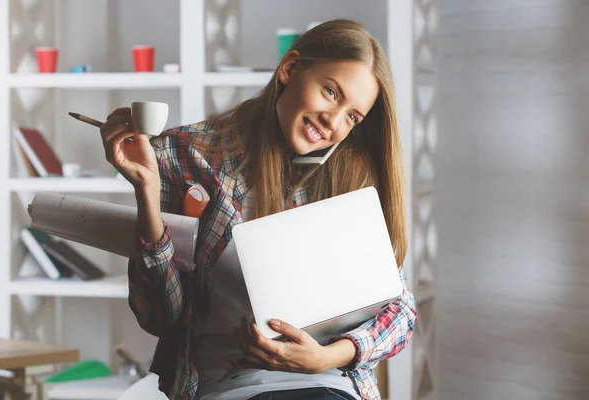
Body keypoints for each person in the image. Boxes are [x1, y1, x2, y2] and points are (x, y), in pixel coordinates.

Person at [99, 19, 416, 400]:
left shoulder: (351, 177)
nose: (333, 122)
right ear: (290, 69)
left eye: (352, 116)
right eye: (331, 92)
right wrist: (146, 193)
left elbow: (400, 309)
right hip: (224, 386)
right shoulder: (183, 155)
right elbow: (159, 317)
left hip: (327, 383)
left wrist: (325, 357)